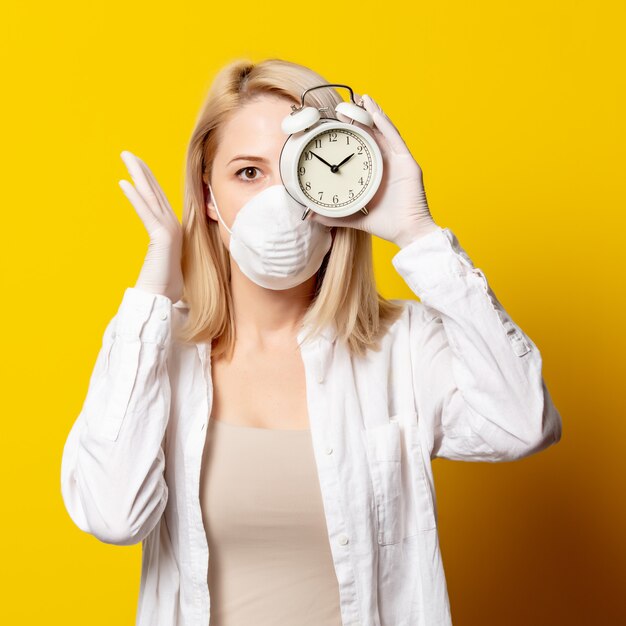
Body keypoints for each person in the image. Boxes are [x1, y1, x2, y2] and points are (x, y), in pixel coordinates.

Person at [60, 58, 562, 626]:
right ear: (207, 198)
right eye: (248, 173)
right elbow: (113, 516)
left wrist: (417, 232)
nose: (279, 202)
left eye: (301, 170)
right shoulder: (160, 356)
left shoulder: (403, 347)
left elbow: (523, 423)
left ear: (342, 190)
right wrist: (152, 296)